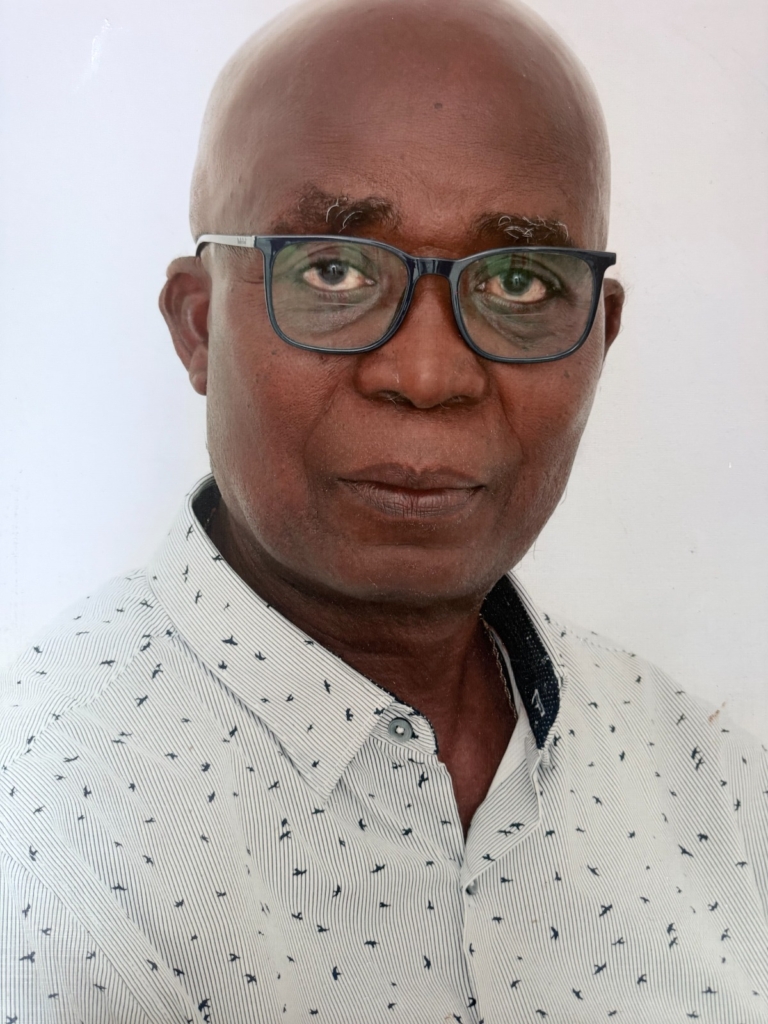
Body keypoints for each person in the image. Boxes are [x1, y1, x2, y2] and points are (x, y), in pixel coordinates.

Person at [1, 0, 766, 1019]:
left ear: (599, 337)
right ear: (199, 326)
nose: (428, 373)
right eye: (333, 269)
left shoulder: (717, 789)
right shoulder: (44, 841)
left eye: (520, 282)